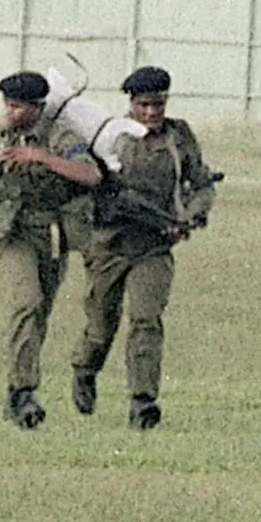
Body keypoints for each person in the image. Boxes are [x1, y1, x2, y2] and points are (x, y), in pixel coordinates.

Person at [71, 65, 219, 432]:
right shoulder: (112, 137)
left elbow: (200, 183)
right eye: (143, 105)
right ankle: (85, 368)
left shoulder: (179, 137)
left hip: (154, 247)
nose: (151, 113)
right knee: (101, 325)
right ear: (131, 105)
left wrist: (194, 214)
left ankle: (143, 400)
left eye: (157, 104)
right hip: (110, 245)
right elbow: (89, 186)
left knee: (146, 320)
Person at [0, 69, 100, 428]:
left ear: (38, 108)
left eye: (19, 107)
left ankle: (16, 391)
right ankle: (23, 390)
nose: (11, 113)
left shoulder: (61, 136)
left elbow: (90, 175)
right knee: (27, 302)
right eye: (8, 105)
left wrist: (40, 157)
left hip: (52, 233)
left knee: (41, 312)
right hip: (14, 231)